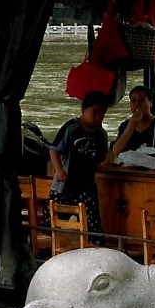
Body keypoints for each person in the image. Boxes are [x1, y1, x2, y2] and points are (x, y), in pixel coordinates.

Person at [49, 91, 111, 235]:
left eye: (102, 114)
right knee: (54, 226)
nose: (98, 118)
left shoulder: (101, 134)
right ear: (83, 109)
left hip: (87, 185)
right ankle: (49, 251)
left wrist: (103, 163)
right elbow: (54, 150)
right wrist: (59, 170)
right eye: (94, 112)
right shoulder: (71, 128)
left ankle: (93, 249)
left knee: (91, 227)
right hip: (64, 185)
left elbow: (103, 156)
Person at [110, 85, 155, 156]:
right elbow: (116, 151)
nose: (137, 104)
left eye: (142, 101)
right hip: (129, 166)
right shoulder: (125, 125)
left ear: (150, 103)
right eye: (133, 101)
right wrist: (131, 126)